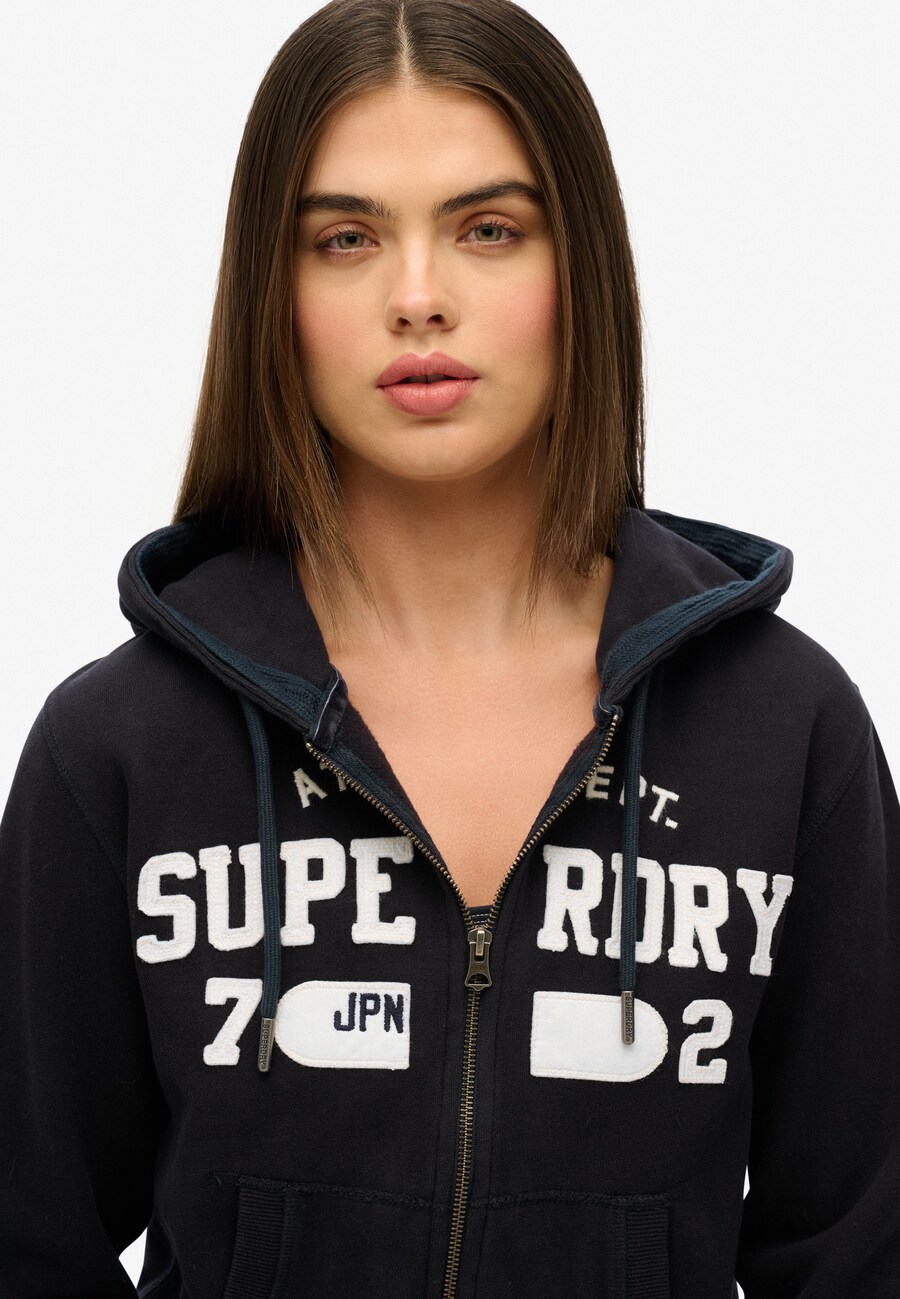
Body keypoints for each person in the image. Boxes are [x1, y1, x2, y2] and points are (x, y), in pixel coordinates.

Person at [1, 0, 899, 1294]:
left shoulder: (785, 726)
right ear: (273, 291)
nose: (418, 299)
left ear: (580, 266)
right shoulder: (118, 746)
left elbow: (862, 1246)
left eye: (489, 230)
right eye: (345, 239)